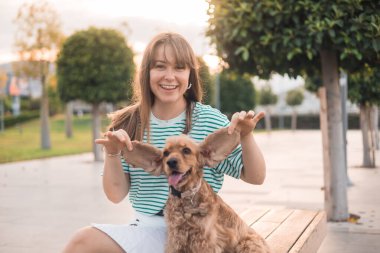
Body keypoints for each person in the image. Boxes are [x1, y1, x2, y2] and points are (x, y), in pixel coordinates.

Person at [63, 32, 266, 253]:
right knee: (81, 242)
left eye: (179, 67)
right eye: (160, 66)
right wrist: (112, 154)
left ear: (190, 76)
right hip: (147, 229)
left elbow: (255, 177)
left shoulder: (210, 120)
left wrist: (245, 136)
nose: (169, 76)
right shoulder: (128, 122)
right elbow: (115, 195)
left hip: (202, 231)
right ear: (146, 73)